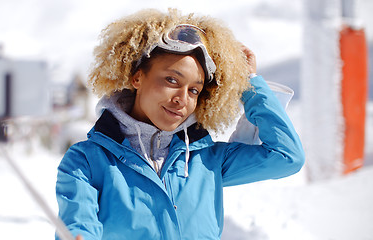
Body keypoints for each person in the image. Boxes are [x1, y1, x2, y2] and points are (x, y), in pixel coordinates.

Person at [56, 8, 305, 240]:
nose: (182, 100)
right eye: (172, 80)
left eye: (194, 90)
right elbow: (78, 224)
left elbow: (286, 156)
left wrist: (251, 84)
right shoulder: (86, 161)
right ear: (137, 77)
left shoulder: (208, 162)